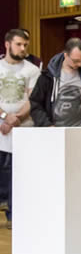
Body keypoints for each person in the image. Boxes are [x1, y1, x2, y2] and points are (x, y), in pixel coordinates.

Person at [0, 29, 40, 229]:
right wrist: (4, 116)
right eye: (18, 44)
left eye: (25, 45)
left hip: (23, 129)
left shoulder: (32, 70)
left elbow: (33, 99)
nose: (23, 48)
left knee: (18, 175)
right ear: (7, 44)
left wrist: (16, 118)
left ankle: (14, 216)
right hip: (1, 128)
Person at [30, 38, 81, 127]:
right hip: (55, 131)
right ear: (66, 55)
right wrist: (47, 125)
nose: (80, 64)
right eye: (76, 61)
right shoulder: (47, 77)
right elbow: (35, 104)